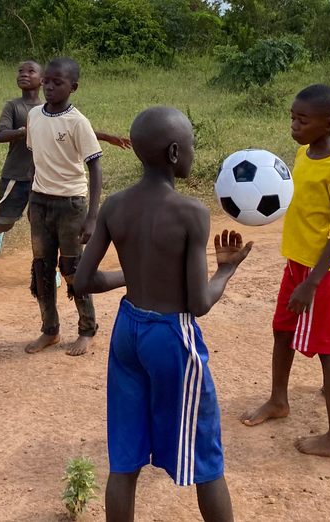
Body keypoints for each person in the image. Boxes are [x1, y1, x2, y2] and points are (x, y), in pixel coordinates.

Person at [74, 106, 252, 522]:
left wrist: (136, 273)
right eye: (190, 144)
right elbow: (199, 304)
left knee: (124, 459)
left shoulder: (115, 205)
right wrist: (225, 272)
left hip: (127, 331)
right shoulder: (191, 213)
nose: (192, 151)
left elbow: (84, 281)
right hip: (171, 338)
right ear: (174, 152)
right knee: (206, 457)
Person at [242, 83, 330, 460]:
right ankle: (279, 400)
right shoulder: (303, 152)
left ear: (329, 123)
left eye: (302, 120)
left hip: (323, 274)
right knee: (282, 330)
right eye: (292, 117)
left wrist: (312, 282)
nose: (294, 125)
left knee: (329, 349)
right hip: (296, 264)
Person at [0, 60, 130, 258]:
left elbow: (70, 130)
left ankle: (54, 267)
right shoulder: (21, 109)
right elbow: (0, 135)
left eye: (31, 71)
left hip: (52, 186)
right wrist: (23, 131)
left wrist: (105, 136)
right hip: (17, 174)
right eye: (20, 71)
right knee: (7, 219)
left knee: (52, 236)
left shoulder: (59, 112)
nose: (24, 74)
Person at [24, 57, 107, 356]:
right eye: (46, 81)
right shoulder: (34, 115)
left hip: (71, 204)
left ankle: (87, 329)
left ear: (73, 87)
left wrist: (93, 217)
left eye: (57, 82)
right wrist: (31, 200)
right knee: (42, 269)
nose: (48, 86)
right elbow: (35, 159)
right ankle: (50, 330)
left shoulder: (77, 122)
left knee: (73, 269)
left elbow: (95, 168)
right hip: (40, 202)